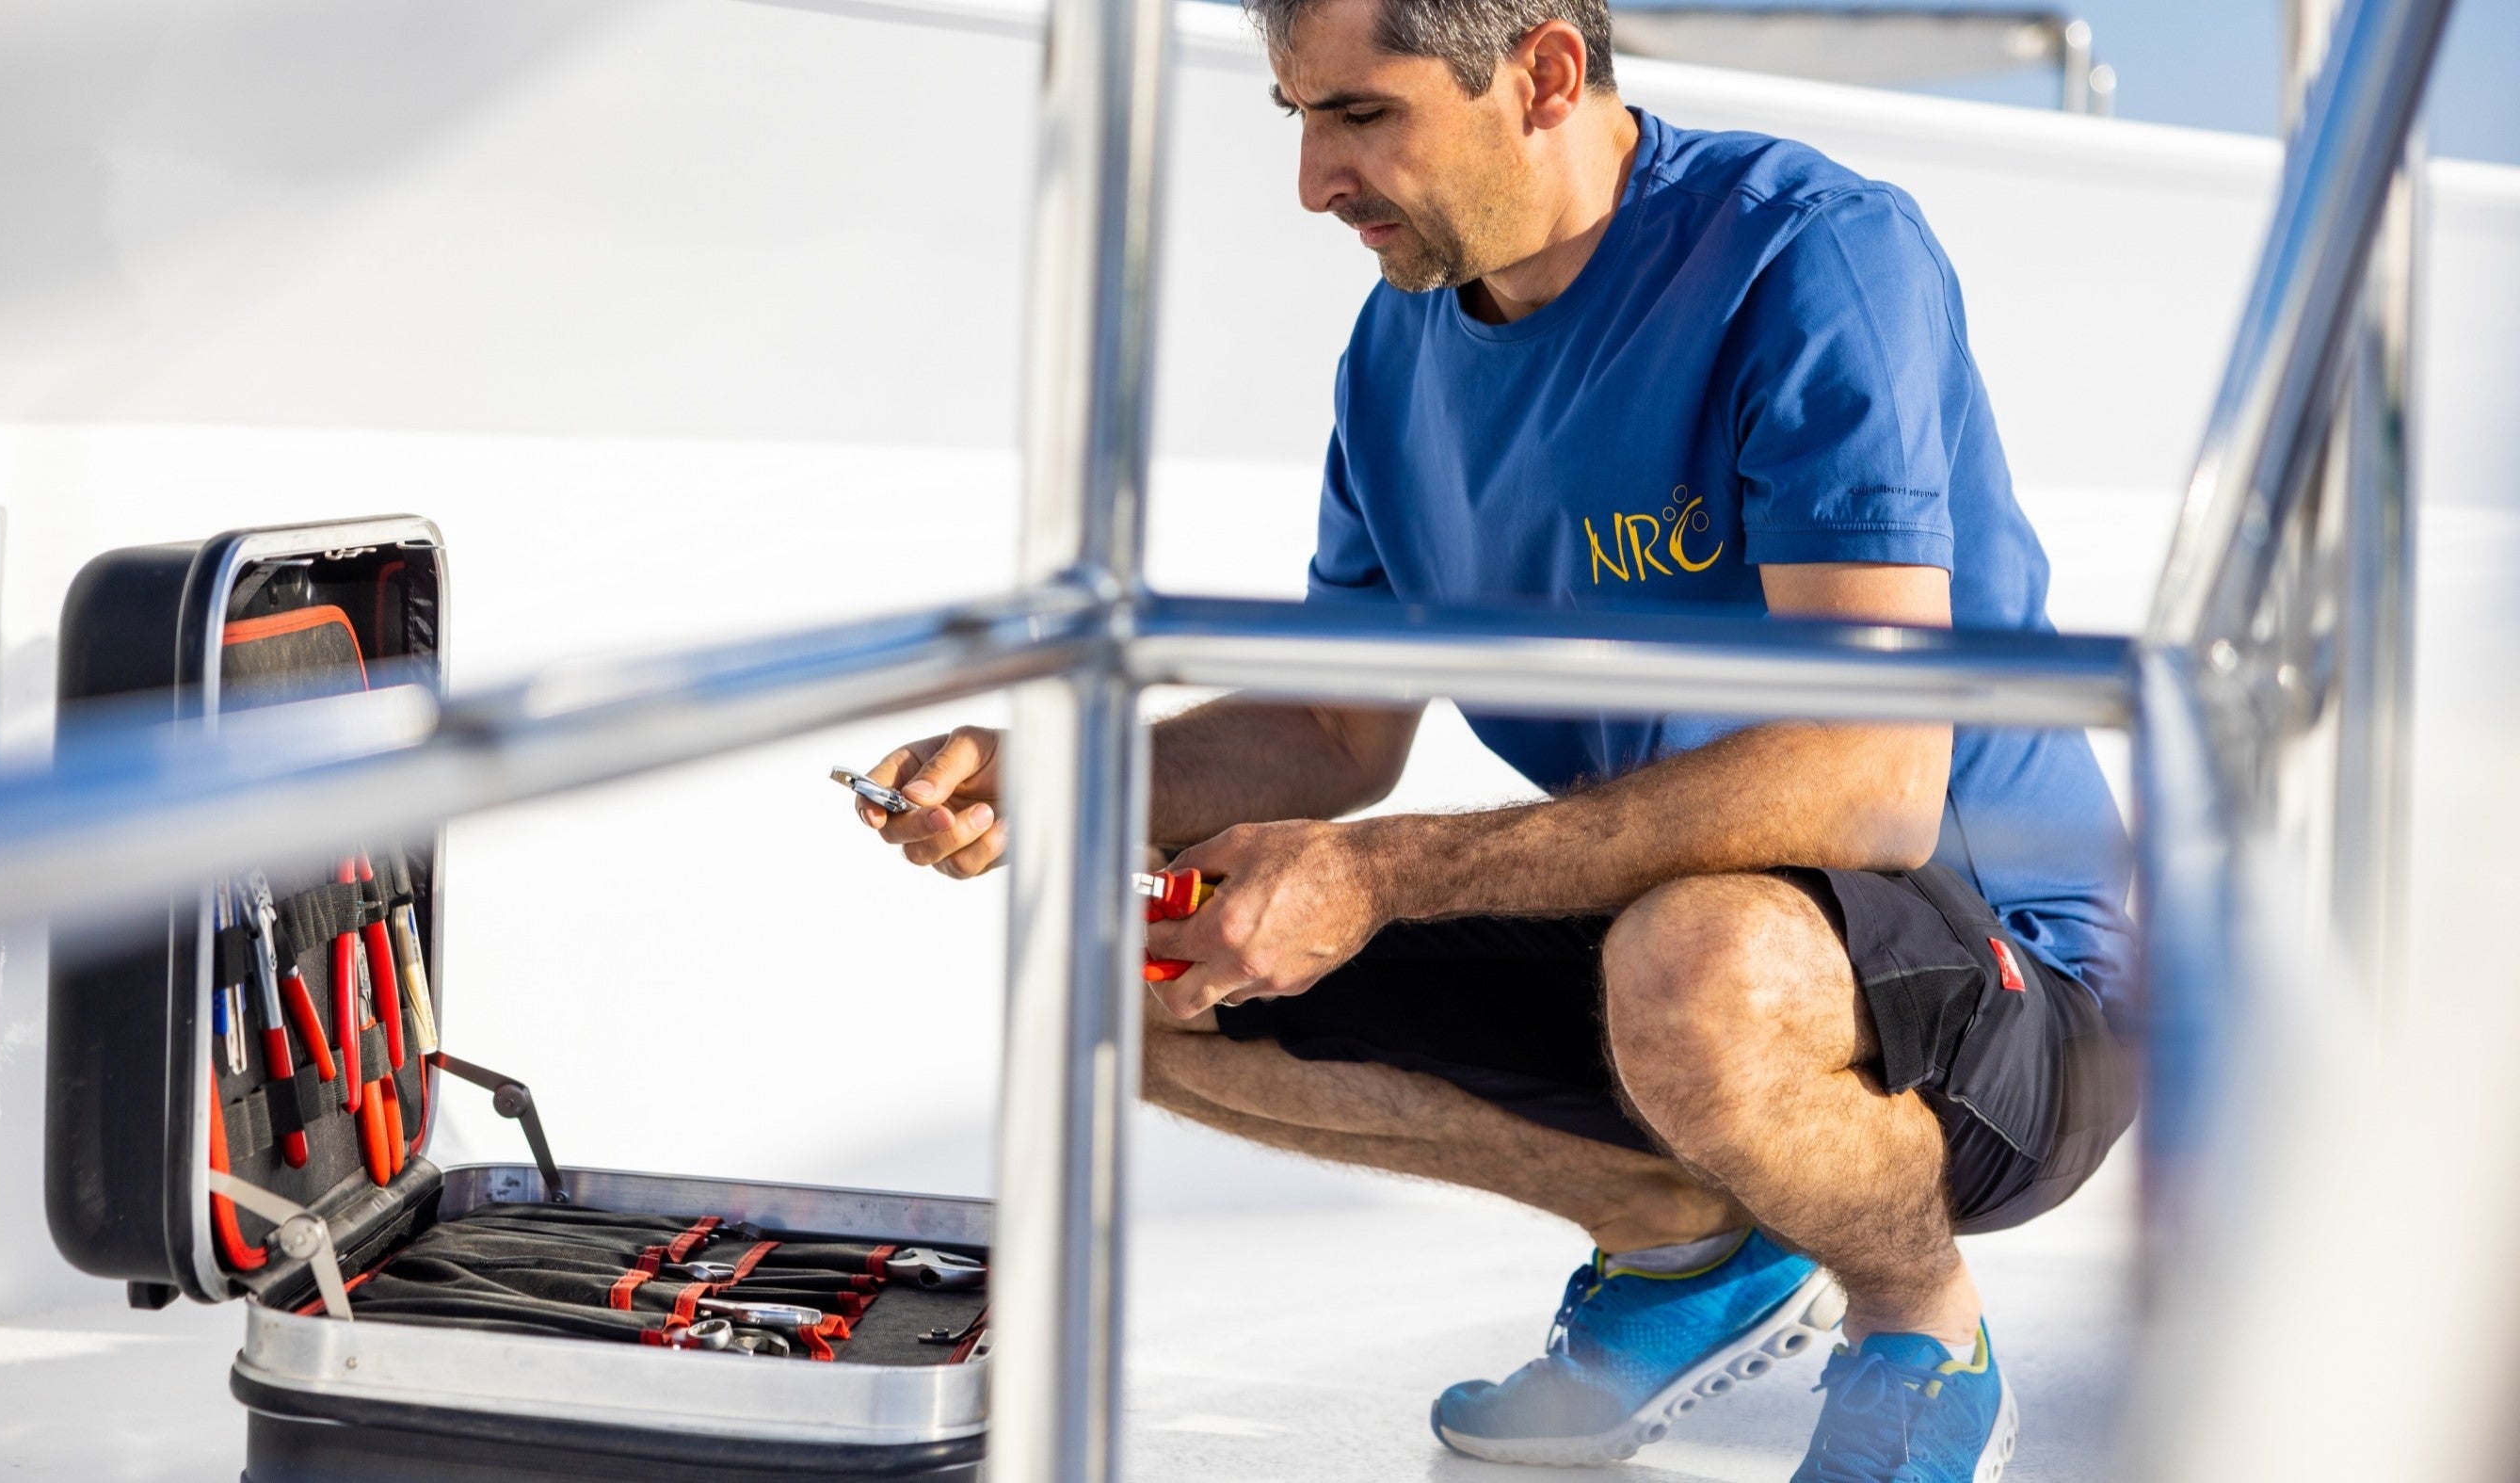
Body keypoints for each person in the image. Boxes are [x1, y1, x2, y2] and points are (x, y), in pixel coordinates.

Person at [853, 0, 2135, 1474]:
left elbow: (1873, 783)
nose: (1313, 184)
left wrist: (1379, 879)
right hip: (1666, 949)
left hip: (2009, 988)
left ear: (1544, 72)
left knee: (1695, 962)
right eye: (1299, 119)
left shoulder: (1813, 255)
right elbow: (1340, 729)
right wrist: (1065, 781)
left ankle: (1922, 1326)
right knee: (1138, 972)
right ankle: (1681, 1250)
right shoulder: (1396, 356)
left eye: (1361, 116)